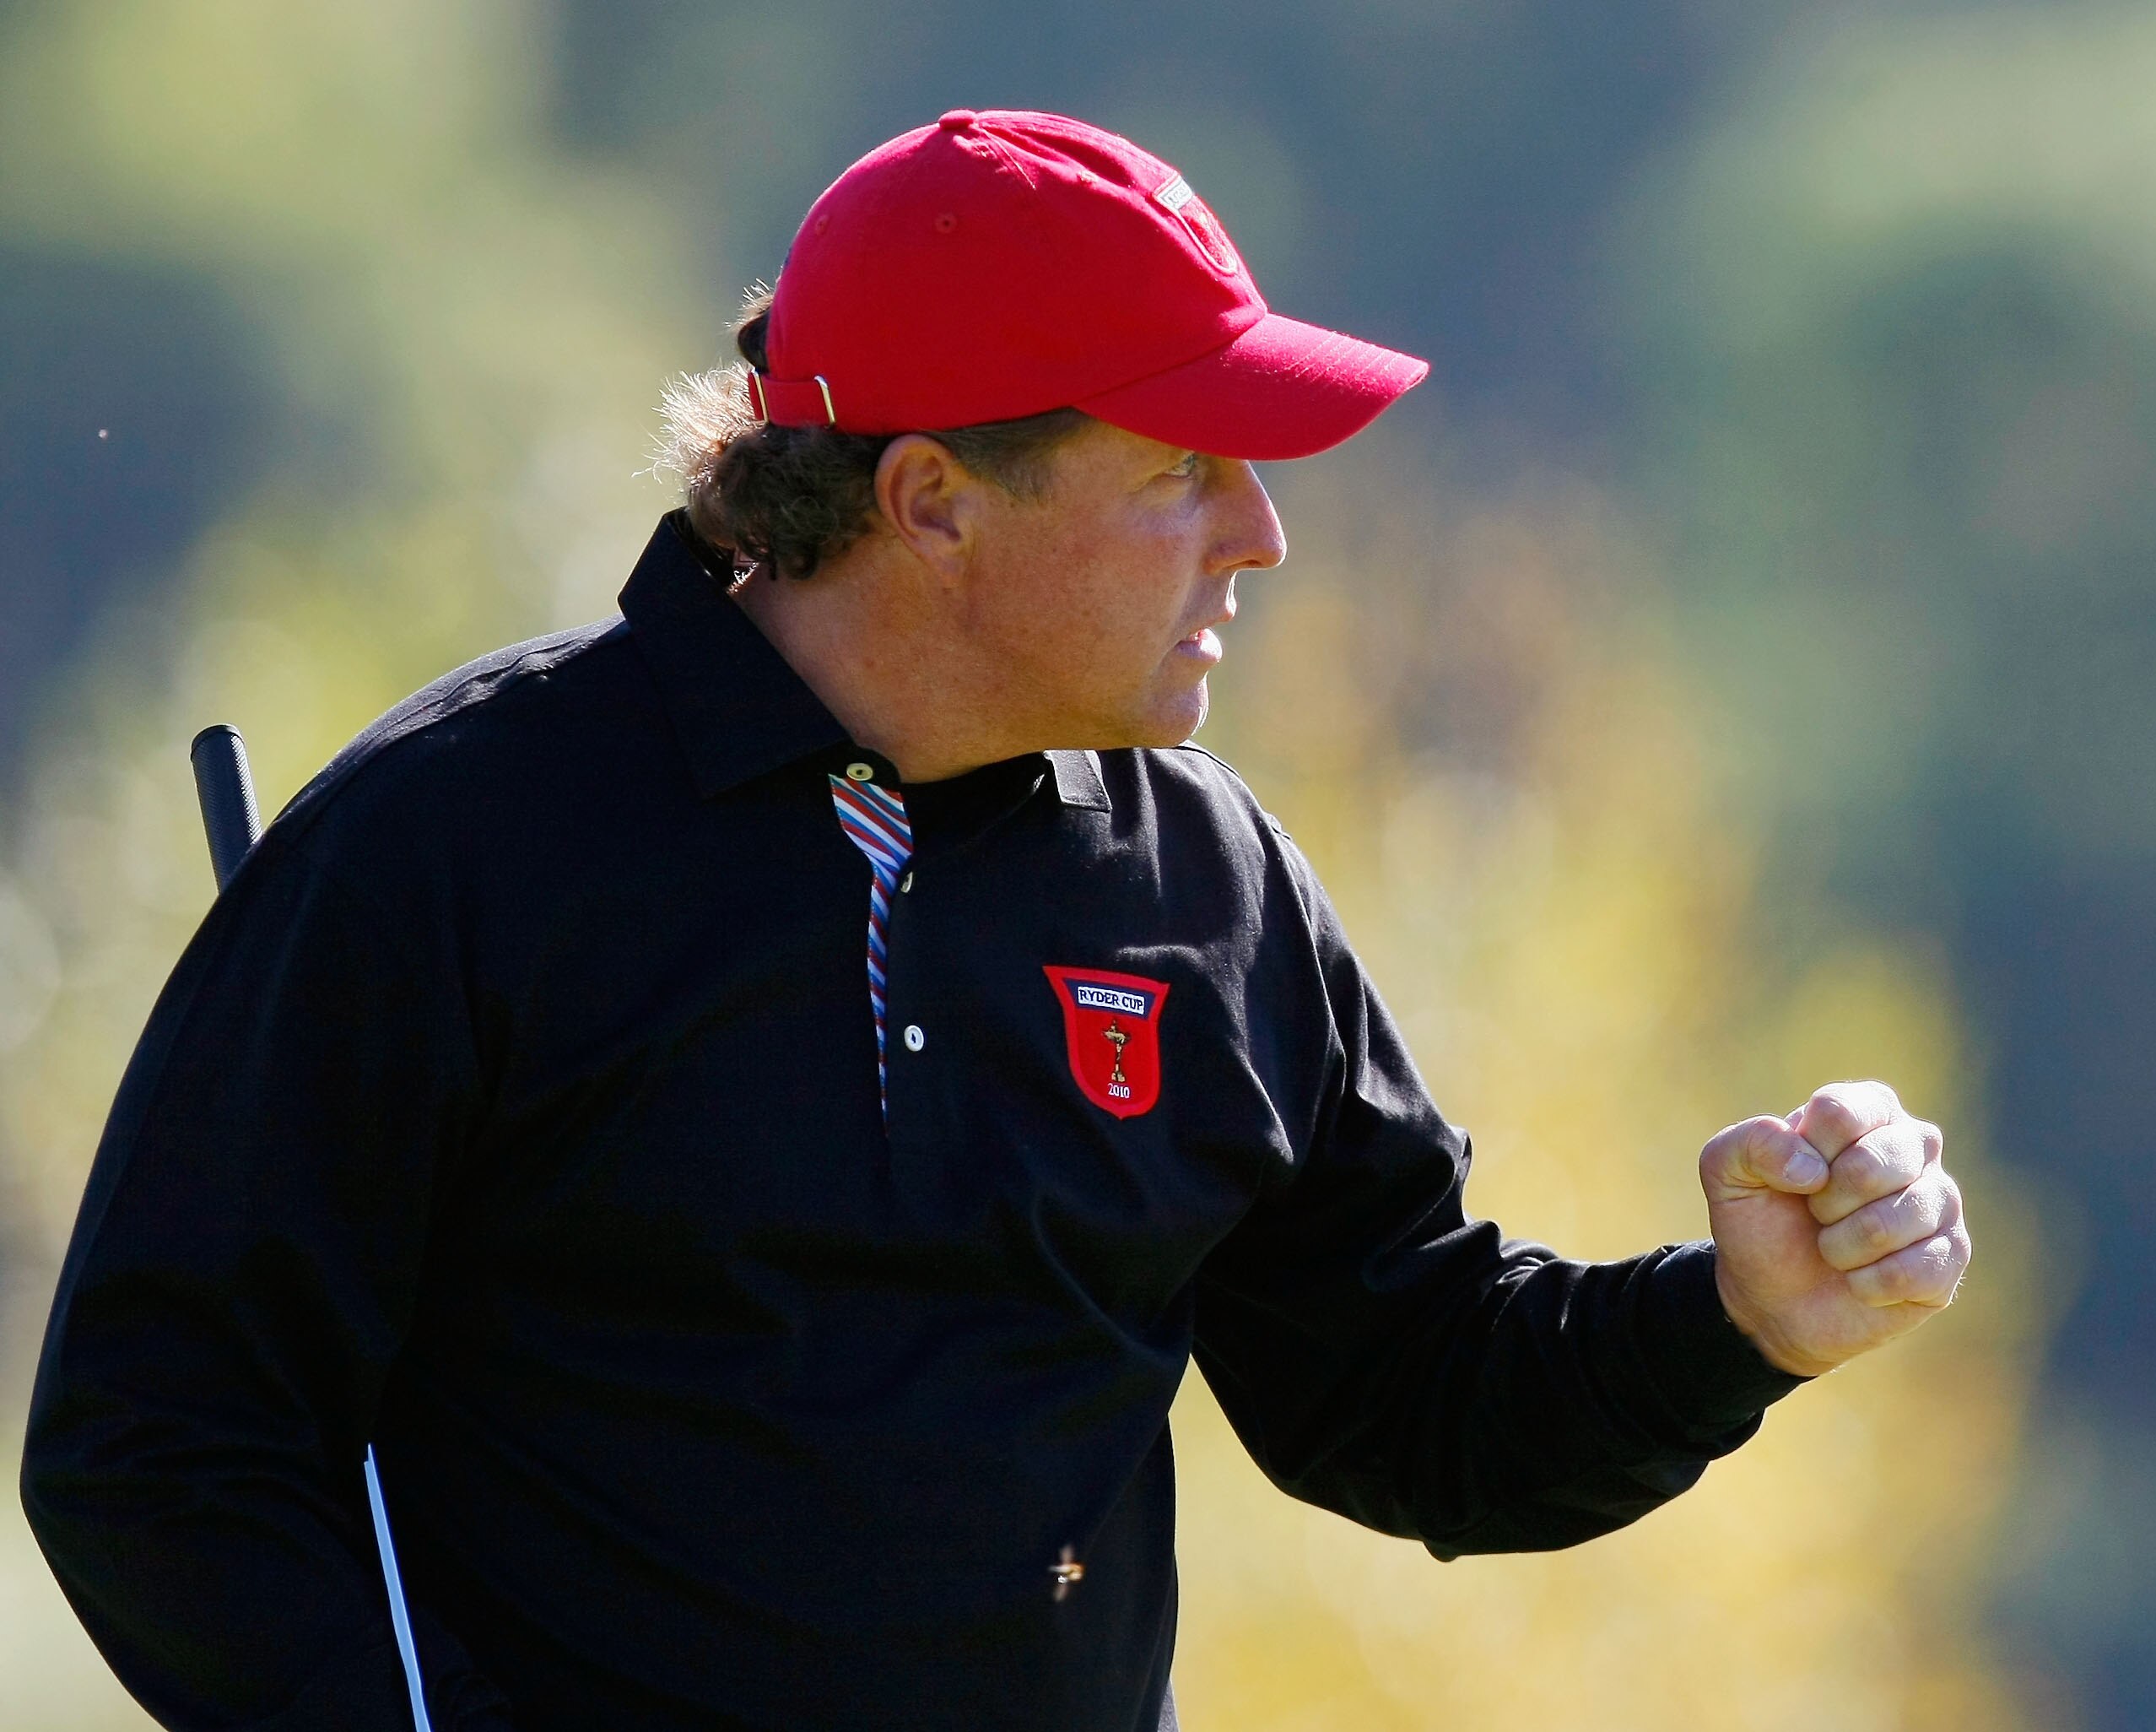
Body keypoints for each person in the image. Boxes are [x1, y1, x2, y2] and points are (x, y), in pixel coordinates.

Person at [20, 110, 1970, 1731]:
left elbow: (1411, 1398)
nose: (1262, 534)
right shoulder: (454, 844)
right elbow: (160, 1450)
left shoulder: (1207, 884)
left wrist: (1737, 1323)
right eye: (1184, 472)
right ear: (935, 504)